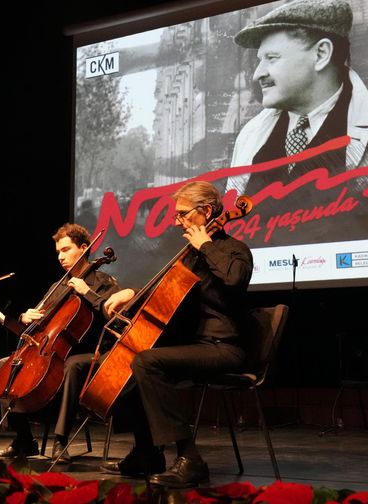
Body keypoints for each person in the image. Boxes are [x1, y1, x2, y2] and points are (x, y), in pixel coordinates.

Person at [100, 180, 253, 488]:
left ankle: (190, 458)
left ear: (206, 211)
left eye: (183, 214)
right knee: (120, 365)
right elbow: (163, 294)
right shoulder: (189, 257)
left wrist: (206, 246)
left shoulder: (233, 249)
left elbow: (235, 280)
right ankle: (146, 452)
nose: (177, 221)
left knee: (146, 362)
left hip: (223, 347)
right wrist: (131, 293)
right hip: (194, 345)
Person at [225, 0, 368, 197]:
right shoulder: (250, 136)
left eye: (272, 58)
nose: (258, 74)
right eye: (260, 60)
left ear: (321, 54)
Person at [0, 223, 120, 463]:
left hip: (91, 352)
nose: (61, 257)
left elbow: (114, 318)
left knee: (72, 365)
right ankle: (24, 439)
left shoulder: (103, 281)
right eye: (58, 252)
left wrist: (87, 292)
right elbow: (42, 323)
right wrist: (26, 317)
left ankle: (61, 440)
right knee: (6, 364)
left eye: (66, 250)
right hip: (54, 350)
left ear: (83, 248)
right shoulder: (58, 286)